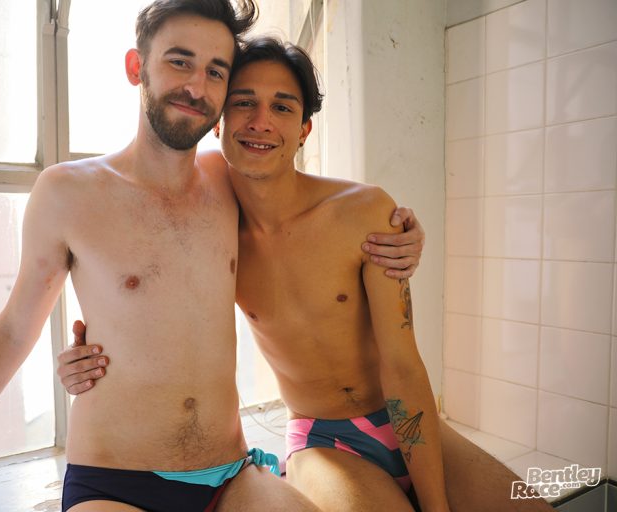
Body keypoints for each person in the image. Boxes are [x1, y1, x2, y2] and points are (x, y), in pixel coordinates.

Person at [0, 3, 330, 511]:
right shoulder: (68, 191)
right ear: (137, 67)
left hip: (230, 476)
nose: (197, 87)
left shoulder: (229, 181)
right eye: (179, 62)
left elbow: (302, 215)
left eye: (215, 72)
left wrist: (384, 232)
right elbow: (15, 330)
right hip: (114, 482)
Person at [59, 38, 555, 512]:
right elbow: (141, 293)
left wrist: (437, 505)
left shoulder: (363, 212)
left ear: (303, 130)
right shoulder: (210, 229)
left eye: (282, 107)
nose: (260, 122)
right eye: (244, 103)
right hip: (322, 441)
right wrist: (83, 357)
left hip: (407, 415)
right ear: (218, 122)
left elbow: (403, 367)